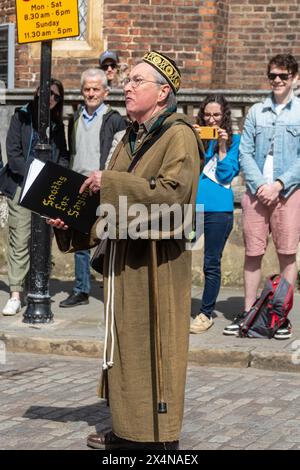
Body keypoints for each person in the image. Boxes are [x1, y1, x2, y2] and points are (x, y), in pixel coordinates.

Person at [49, 50, 202, 449]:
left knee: (153, 345)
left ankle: (154, 439)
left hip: (156, 266)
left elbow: (175, 197)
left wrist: (111, 182)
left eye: (137, 81)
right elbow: (108, 206)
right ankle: (127, 430)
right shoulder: (129, 137)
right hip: (122, 263)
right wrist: (71, 221)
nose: (127, 87)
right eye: (128, 80)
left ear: (163, 92)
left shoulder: (178, 134)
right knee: (125, 348)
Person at [223, 53, 300, 340]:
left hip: (289, 193)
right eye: (273, 76)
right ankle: (249, 313)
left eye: (283, 75)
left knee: (287, 255)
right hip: (257, 194)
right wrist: (260, 186)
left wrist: (279, 184)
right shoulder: (256, 112)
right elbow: (244, 151)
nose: (277, 80)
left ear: (295, 78)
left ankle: (280, 317)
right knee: (252, 254)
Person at [0, 79, 69, 315]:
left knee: (43, 242)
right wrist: (36, 175)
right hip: (21, 184)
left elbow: (64, 156)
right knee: (20, 239)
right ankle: (16, 293)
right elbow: (14, 155)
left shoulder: (57, 125)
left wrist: (58, 179)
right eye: (46, 93)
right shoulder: (21, 117)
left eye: (56, 96)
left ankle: (36, 288)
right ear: (37, 93)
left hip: (47, 189)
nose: (50, 98)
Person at [59, 68, 126, 308]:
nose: (91, 93)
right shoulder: (75, 118)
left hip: (103, 184)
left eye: (96, 89)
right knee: (79, 240)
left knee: (108, 239)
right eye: (87, 89)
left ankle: (112, 287)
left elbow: (120, 154)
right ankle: (81, 290)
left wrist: (108, 178)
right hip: (79, 185)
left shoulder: (115, 118)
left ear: (105, 92)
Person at [190, 95, 240, 334]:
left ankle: (205, 313)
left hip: (218, 211)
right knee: (177, 256)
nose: (211, 120)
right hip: (193, 209)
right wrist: (190, 139)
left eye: (216, 115)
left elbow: (226, 175)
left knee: (211, 262)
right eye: (207, 115)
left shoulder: (235, 141)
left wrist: (221, 146)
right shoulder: (197, 139)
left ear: (225, 116)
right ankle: (178, 305)